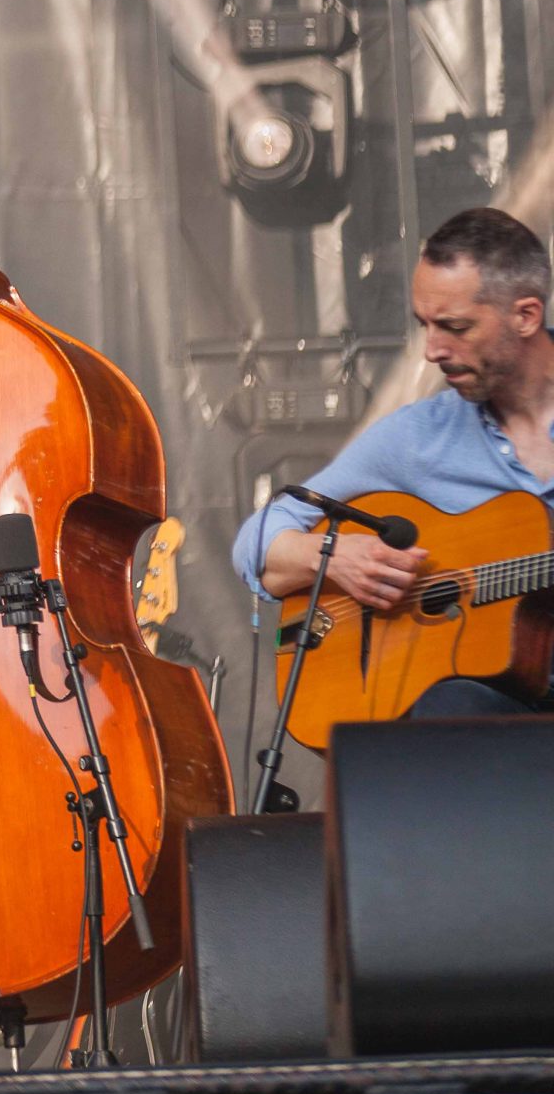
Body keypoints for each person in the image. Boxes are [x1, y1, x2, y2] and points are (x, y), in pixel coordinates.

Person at [233, 206, 554, 717]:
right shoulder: (417, 437)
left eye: (454, 326)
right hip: (495, 713)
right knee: (444, 712)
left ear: (526, 316)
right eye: (424, 325)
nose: (431, 351)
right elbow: (257, 539)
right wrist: (333, 558)